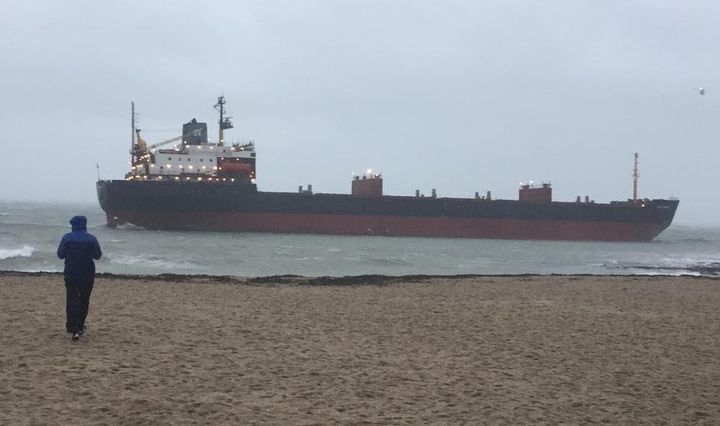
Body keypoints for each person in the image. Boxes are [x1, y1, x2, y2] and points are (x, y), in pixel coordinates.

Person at [57, 215, 102, 342]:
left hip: (71, 272)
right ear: (85, 225)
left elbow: (60, 255)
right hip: (87, 273)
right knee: (84, 299)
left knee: (71, 299)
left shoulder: (67, 237)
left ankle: (71, 327)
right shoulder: (91, 238)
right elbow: (97, 255)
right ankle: (80, 326)